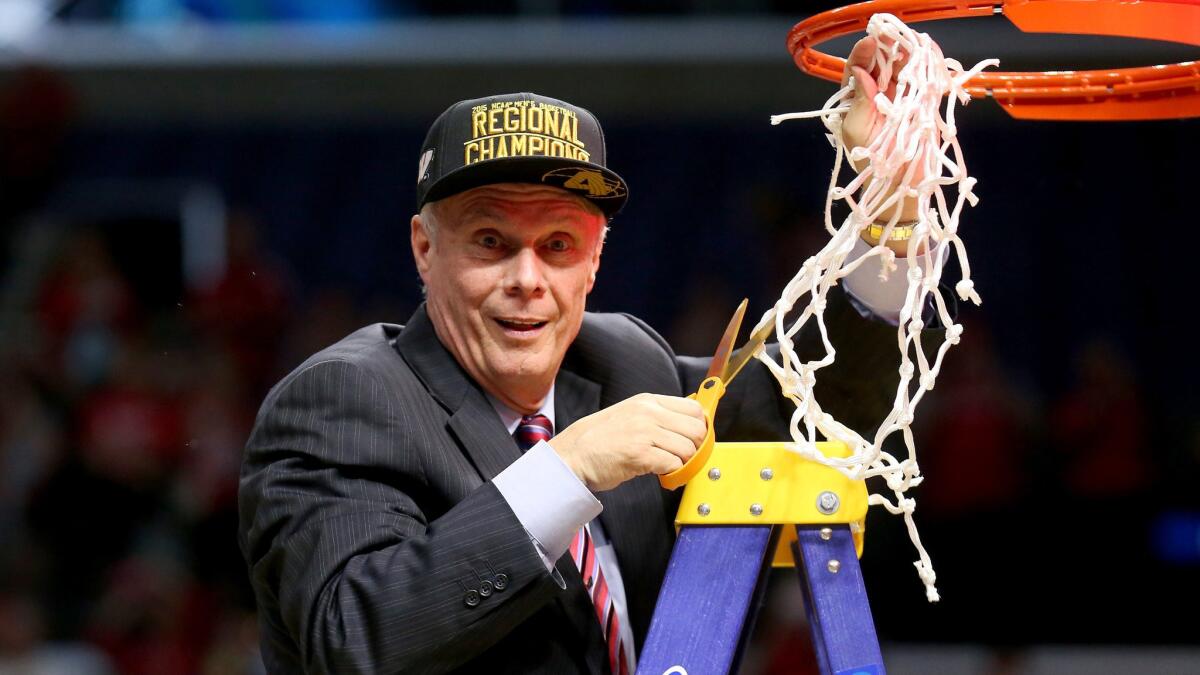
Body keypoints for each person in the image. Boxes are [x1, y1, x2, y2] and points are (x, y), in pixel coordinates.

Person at [239, 37, 933, 674]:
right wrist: (566, 469)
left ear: (595, 260)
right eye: (490, 240)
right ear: (425, 247)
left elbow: (811, 421)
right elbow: (351, 639)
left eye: (558, 245)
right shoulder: (345, 397)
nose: (528, 279)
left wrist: (892, 218)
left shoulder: (623, 361)